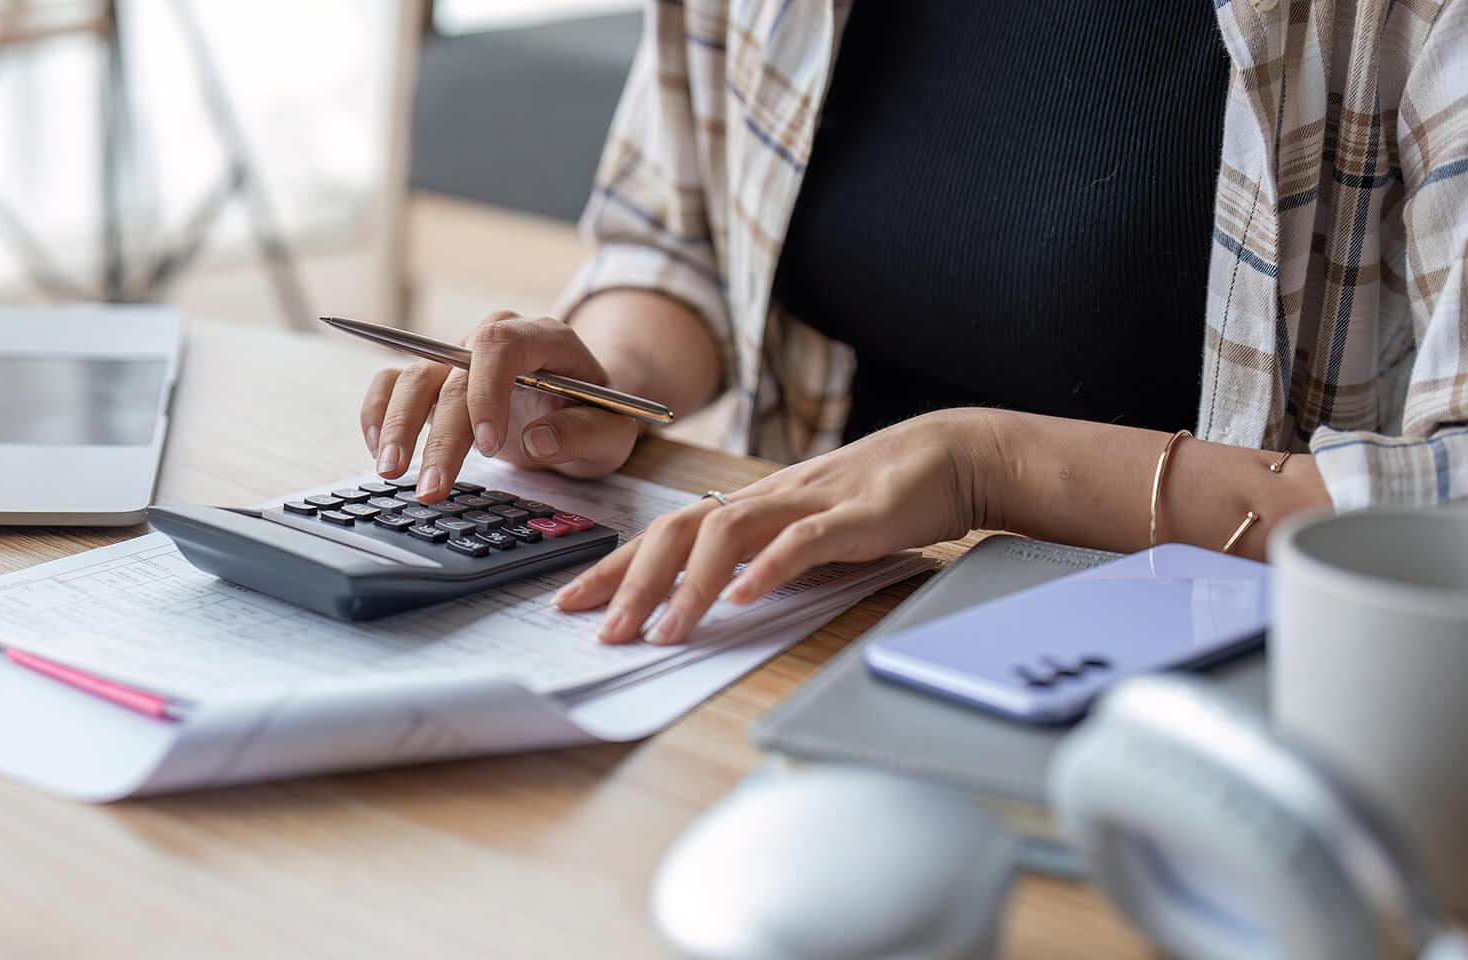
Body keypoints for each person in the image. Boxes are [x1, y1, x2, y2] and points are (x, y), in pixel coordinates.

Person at [363, 0, 1468, 646]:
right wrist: (598, 376)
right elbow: (675, 237)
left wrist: (991, 462)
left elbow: (1451, 495)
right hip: (796, 618)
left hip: (1234, 671)